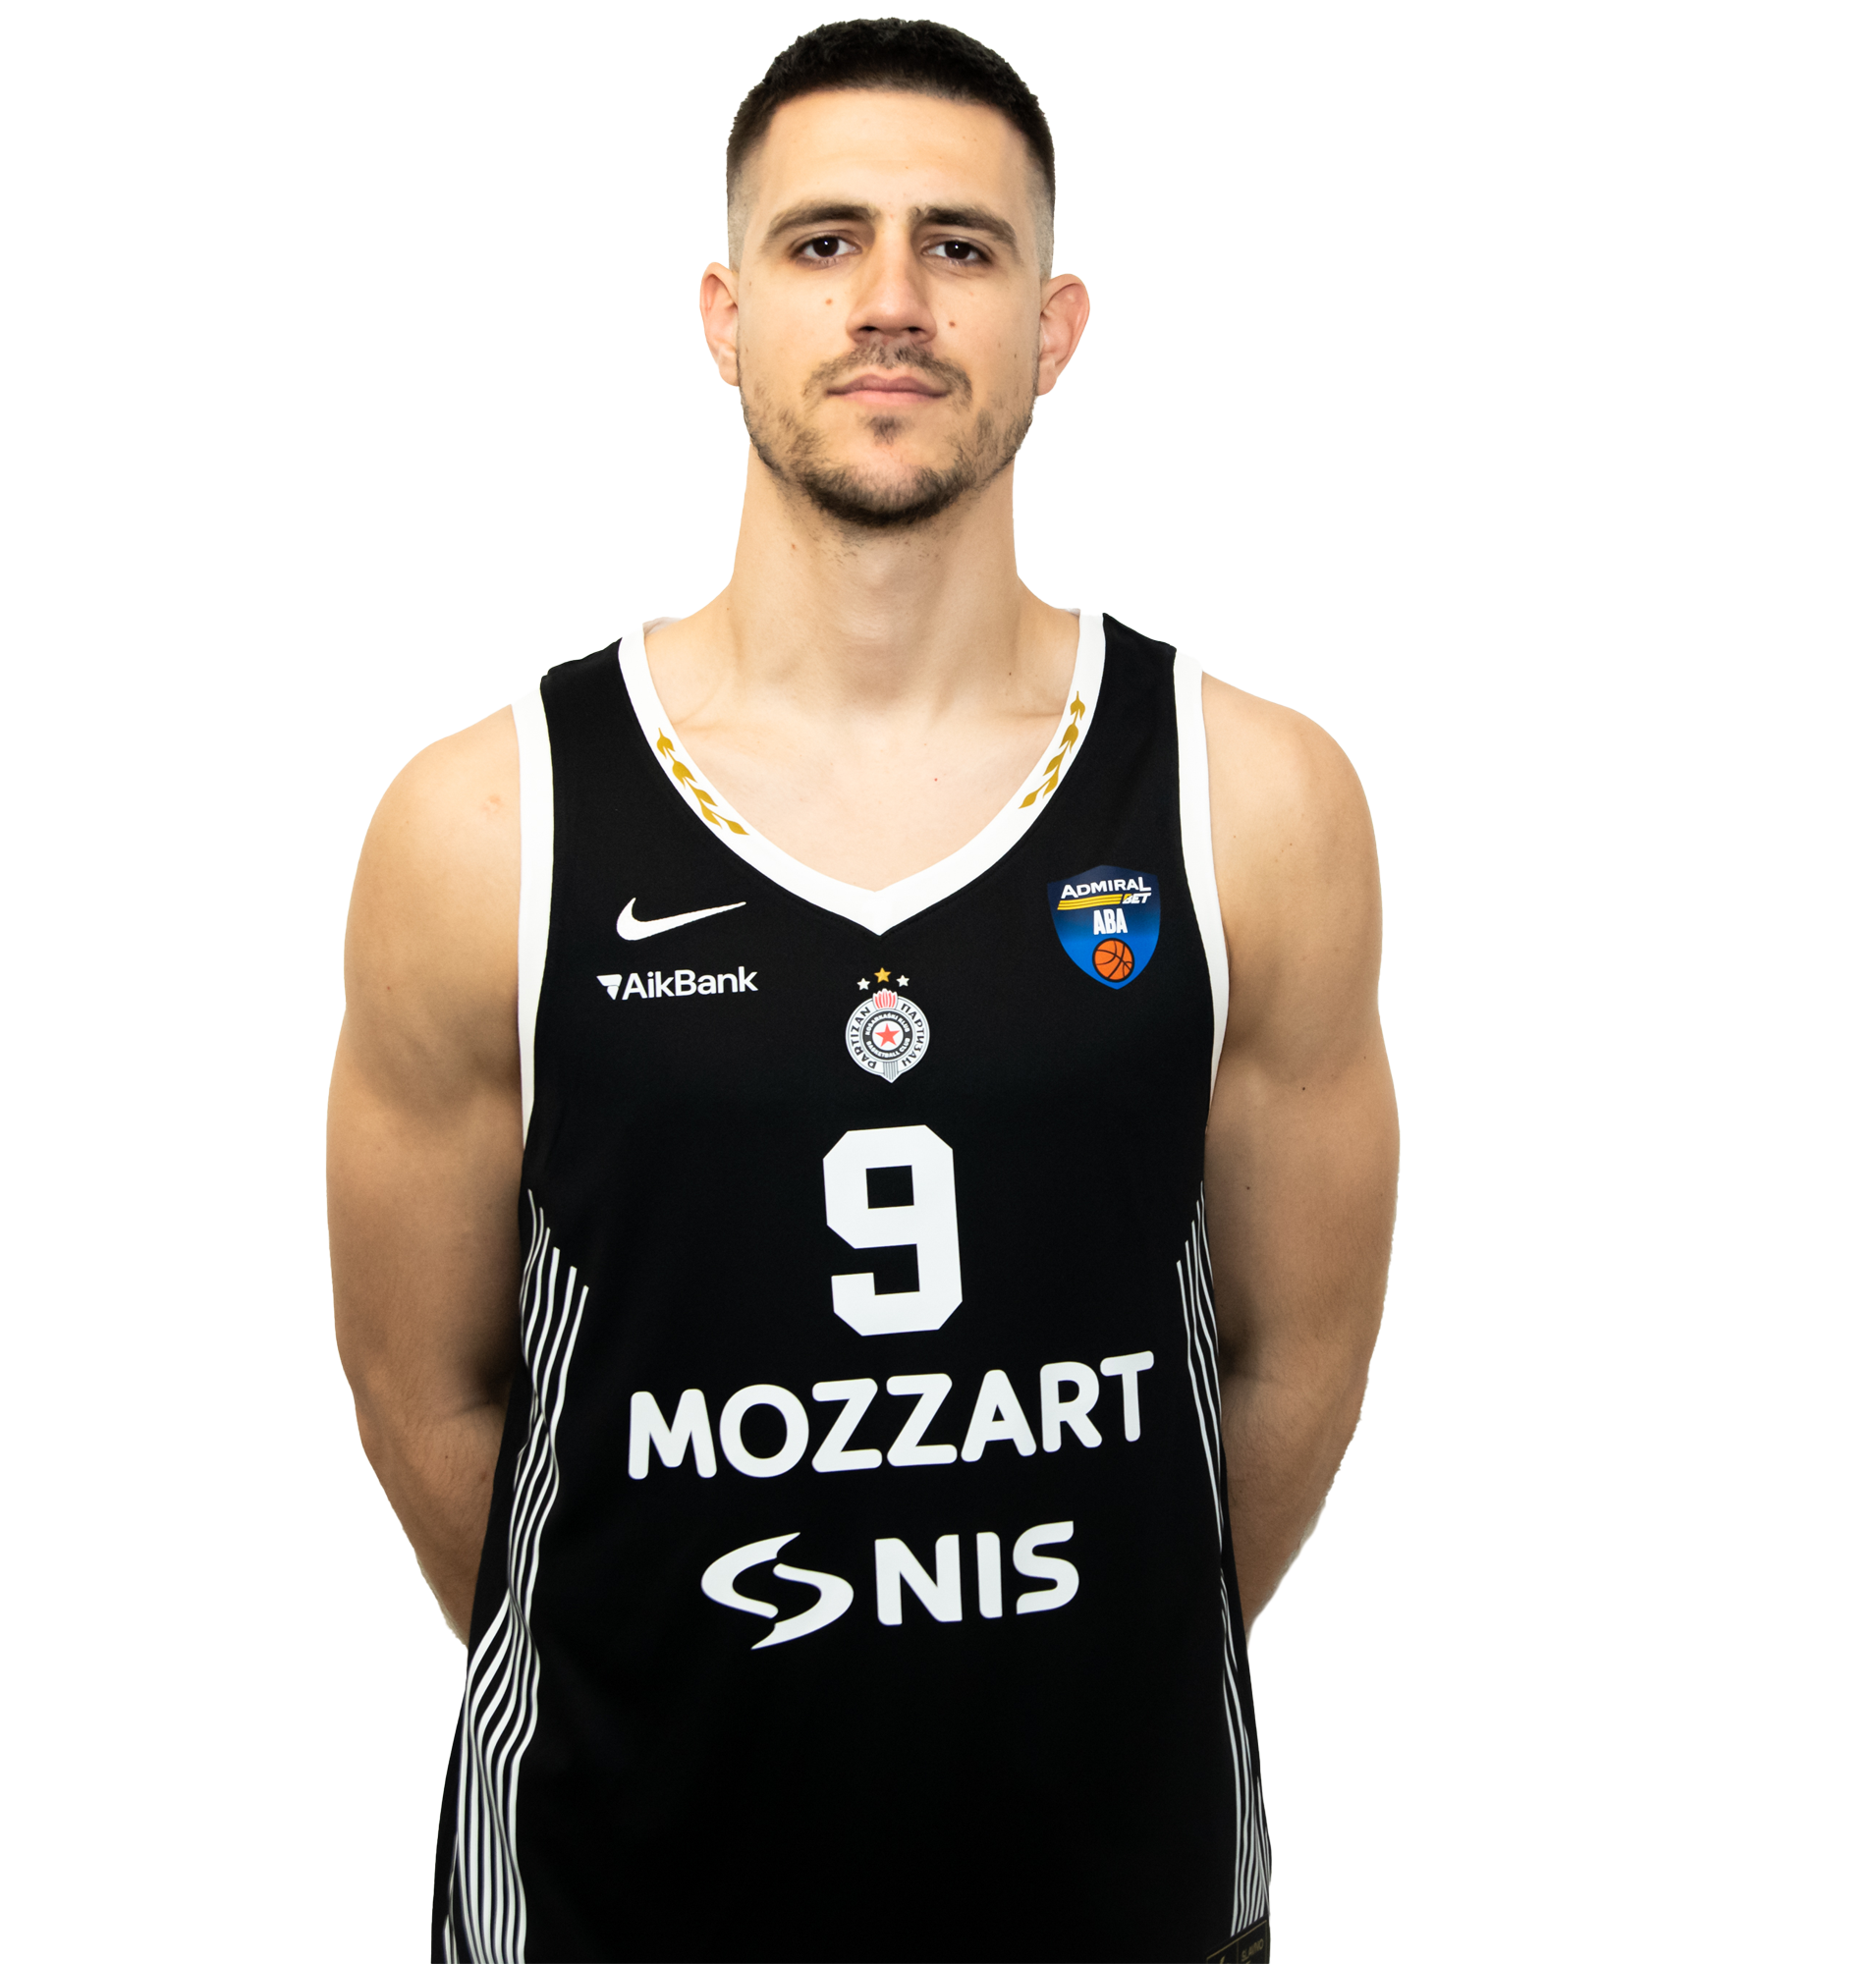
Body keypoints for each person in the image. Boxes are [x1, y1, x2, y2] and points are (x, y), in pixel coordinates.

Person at [328, 18, 1397, 1963]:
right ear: (726, 315)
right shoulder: (491, 823)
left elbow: (1295, 1363)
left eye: (957, 246)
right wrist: (688, 1676)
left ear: (1053, 331)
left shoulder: (1251, 799)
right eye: (823, 243)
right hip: (617, 1900)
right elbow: (425, 1387)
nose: (890, 300)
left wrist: (1059, 1667)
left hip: (1121, 1895)